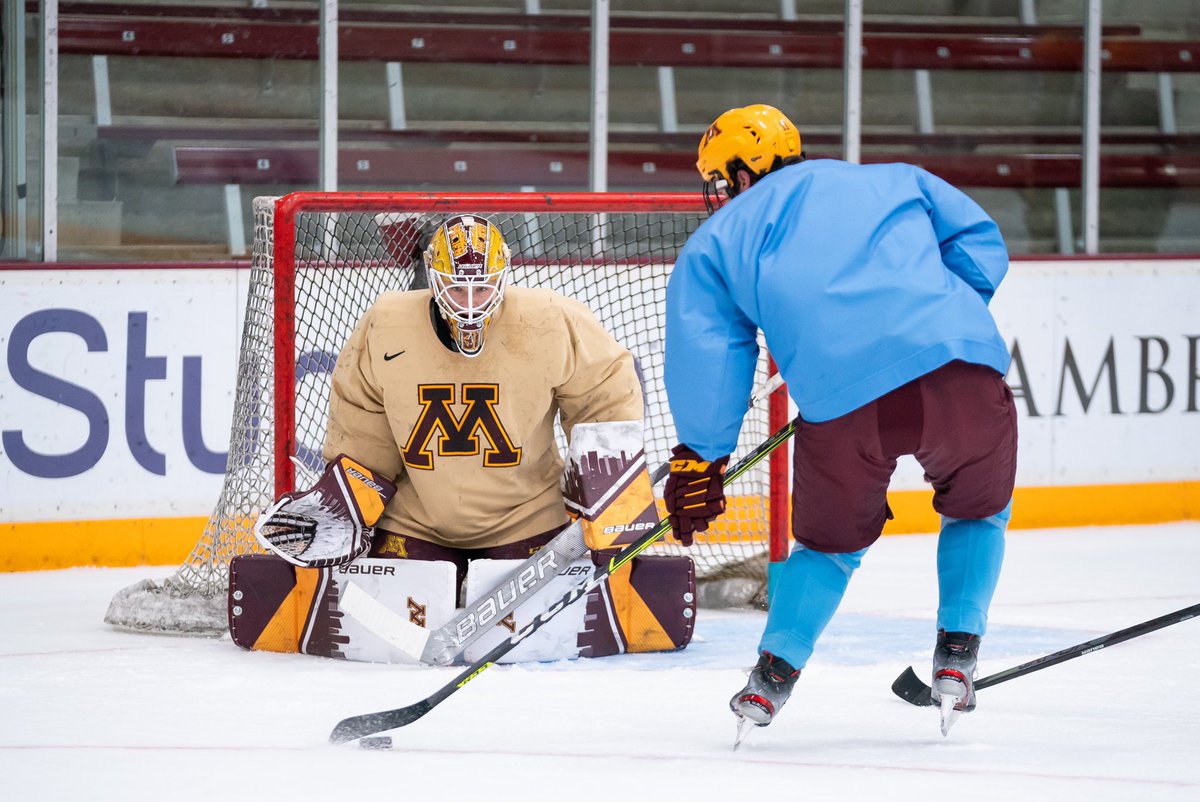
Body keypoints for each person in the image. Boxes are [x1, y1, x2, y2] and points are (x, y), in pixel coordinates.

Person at [662, 104, 1017, 738]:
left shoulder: (715, 242)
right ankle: (957, 654)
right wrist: (945, 317)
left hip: (846, 408)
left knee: (828, 549)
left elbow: (711, 354)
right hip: (962, 374)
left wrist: (702, 455)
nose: (719, 195)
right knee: (978, 510)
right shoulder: (897, 179)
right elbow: (980, 242)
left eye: (720, 180)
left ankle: (772, 676)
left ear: (743, 173)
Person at [247, 214, 692, 664]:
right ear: (432, 277)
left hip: (527, 520)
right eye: (458, 289)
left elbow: (604, 394)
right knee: (388, 637)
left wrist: (609, 489)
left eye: (483, 288)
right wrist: (343, 508)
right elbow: (363, 428)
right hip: (415, 522)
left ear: (504, 275)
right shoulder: (385, 325)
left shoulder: (551, 320)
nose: (471, 303)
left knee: (536, 644)